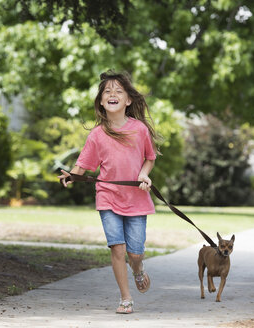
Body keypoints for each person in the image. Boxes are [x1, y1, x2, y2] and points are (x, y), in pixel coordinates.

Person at [58, 70, 159, 314]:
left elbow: (150, 158)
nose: (112, 94)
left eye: (118, 91)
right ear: (102, 102)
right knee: (117, 248)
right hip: (107, 197)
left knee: (135, 253)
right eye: (107, 92)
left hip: (136, 198)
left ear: (128, 100)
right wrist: (70, 175)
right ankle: (126, 298)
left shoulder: (139, 130)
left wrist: (144, 175)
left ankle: (137, 269)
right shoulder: (97, 135)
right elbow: (82, 164)